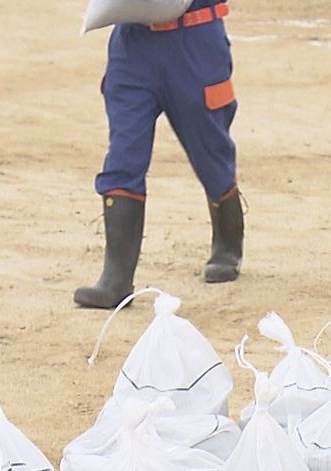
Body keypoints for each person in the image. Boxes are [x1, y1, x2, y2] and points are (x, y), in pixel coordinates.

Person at [75, 1, 245, 309]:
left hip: (195, 39)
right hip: (133, 45)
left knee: (211, 157)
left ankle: (228, 243)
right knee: (124, 155)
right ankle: (116, 280)